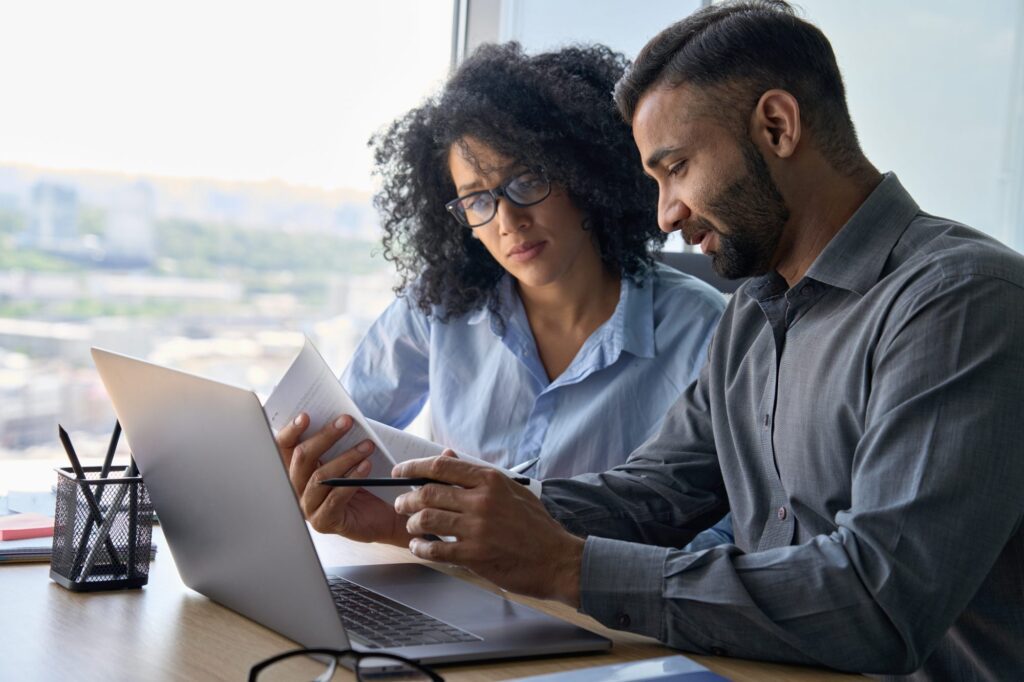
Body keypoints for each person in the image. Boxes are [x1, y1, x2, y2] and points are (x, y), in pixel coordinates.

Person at [279, 1, 1024, 677]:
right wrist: (431, 521)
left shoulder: (961, 301)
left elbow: (877, 602)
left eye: (676, 168)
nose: (664, 213)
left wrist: (571, 569)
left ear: (778, 127)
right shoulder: (757, 314)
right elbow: (654, 493)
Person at [332, 45, 726, 486]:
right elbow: (341, 433)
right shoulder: (438, 308)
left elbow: (729, 526)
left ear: (585, 176)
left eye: (527, 181)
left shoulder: (704, 329)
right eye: (477, 199)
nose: (508, 221)